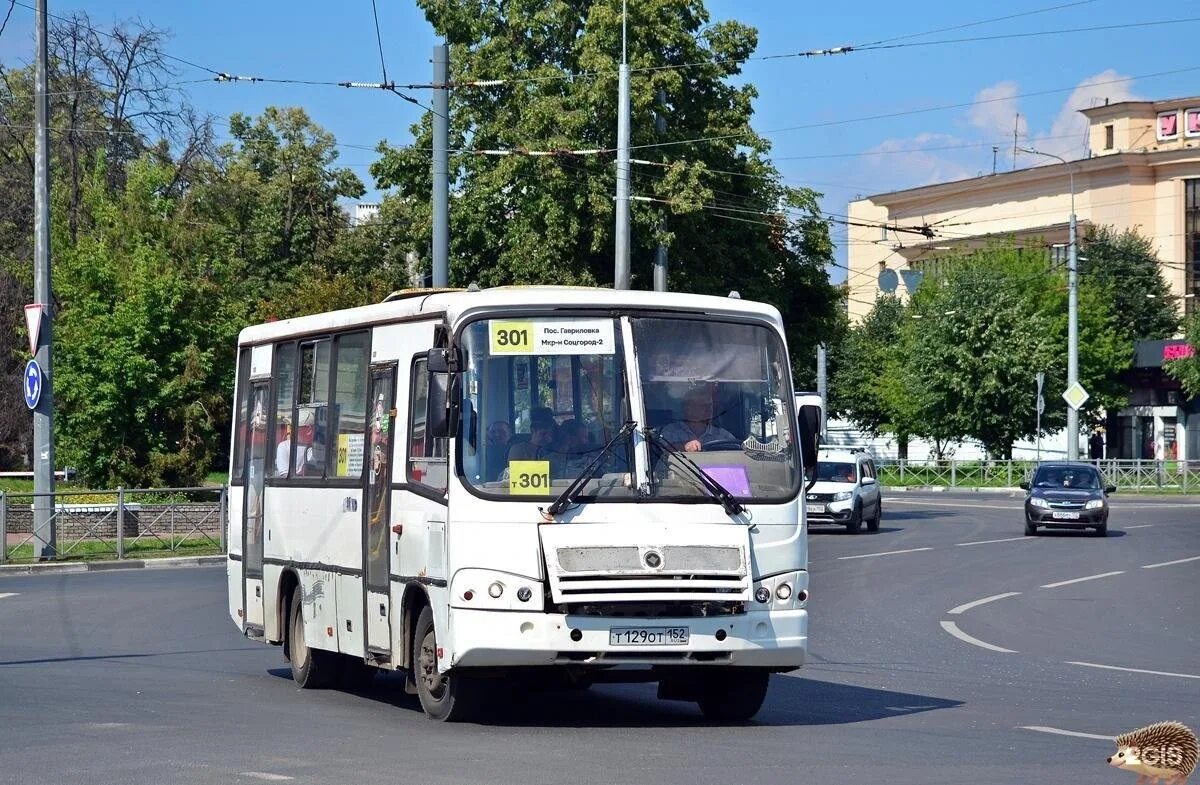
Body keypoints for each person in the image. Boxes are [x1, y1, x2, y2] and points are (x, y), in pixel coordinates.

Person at [660, 386, 737, 452]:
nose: (708, 409)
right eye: (702, 405)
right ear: (687, 408)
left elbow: (736, 451)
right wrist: (685, 446)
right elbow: (664, 447)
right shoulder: (671, 431)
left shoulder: (723, 435)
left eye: (710, 405)